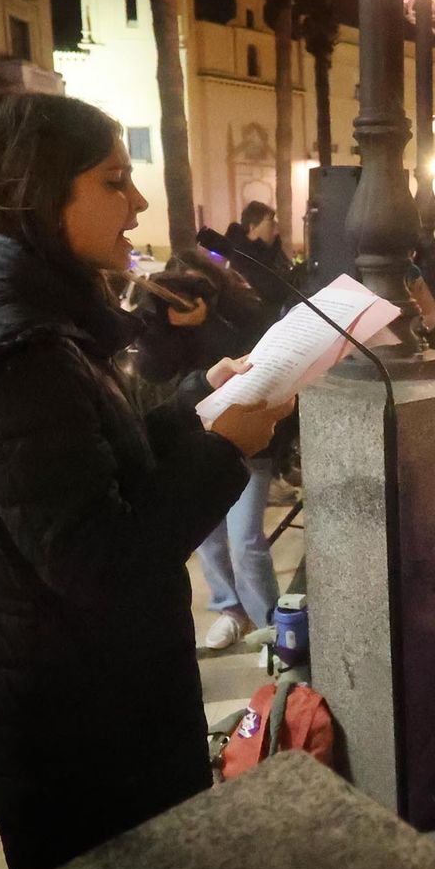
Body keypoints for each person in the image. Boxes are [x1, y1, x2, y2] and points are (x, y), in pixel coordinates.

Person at [0, 93, 293, 869]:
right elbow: (99, 561)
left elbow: (95, 457)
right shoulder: (21, 355)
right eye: (113, 180)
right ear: (41, 194)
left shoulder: (23, 312)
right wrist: (223, 451)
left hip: (88, 695)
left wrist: (196, 404)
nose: (137, 201)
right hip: (88, 728)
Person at [133, 251, 284, 650]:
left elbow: (251, 359)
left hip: (248, 434)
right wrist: (161, 324)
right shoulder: (162, 323)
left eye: (196, 283)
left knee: (246, 538)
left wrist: (207, 321)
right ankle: (230, 608)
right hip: (190, 432)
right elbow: (153, 371)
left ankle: (272, 621)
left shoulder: (240, 312)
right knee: (207, 538)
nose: (189, 294)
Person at [220, 201, 297, 323]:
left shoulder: (273, 253)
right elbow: (273, 291)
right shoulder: (243, 260)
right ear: (253, 228)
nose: (277, 230)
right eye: (271, 223)